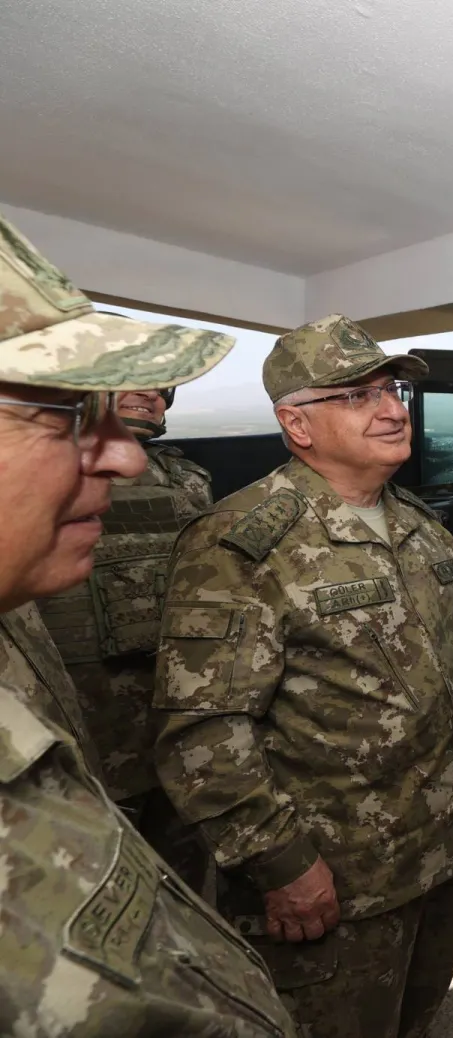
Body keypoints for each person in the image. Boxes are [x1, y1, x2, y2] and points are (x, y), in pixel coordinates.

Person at [154, 314, 453, 1038]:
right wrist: (281, 862)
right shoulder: (241, 542)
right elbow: (203, 733)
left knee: (417, 1014)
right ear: (297, 424)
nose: (391, 408)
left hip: (435, 848)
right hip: (335, 872)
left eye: (392, 388)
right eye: (356, 396)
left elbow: (450, 656)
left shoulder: (421, 524)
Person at [0, 208, 296, 1036]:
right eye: (55, 412)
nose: (121, 451)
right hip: (107, 721)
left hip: (165, 723)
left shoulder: (189, 484)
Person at [37, 383, 217, 892]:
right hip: (82, 725)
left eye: (162, 388)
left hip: (177, 714)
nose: (149, 394)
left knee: (183, 882)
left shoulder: (186, 479)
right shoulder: (37, 469)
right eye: (129, 381)